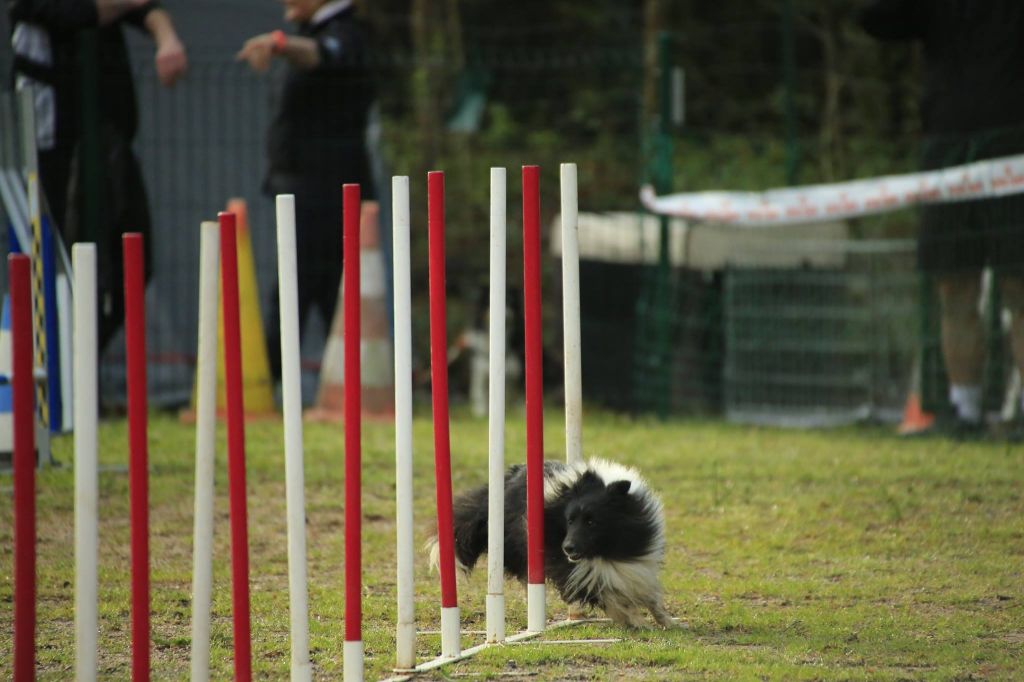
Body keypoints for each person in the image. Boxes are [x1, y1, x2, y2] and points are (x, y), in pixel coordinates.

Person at [861, 0, 1024, 437]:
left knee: (1019, 286)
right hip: (946, 146)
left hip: (1015, 146)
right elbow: (876, 18)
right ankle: (964, 412)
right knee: (954, 286)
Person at [8, 0, 187, 352]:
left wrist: (167, 38)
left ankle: (81, 362)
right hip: (46, 147)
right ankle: (56, 365)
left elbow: (143, 8)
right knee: (53, 261)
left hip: (108, 144)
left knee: (131, 263)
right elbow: (77, 12)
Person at [237, 0, 377, 384]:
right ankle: (345, 383)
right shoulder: (314, 33)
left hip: (326, 193)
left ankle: (268, 384)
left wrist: (280, 43)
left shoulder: (346, 34)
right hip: (306, 189)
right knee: (319, 291)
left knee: (301, 292)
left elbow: (323, 57)